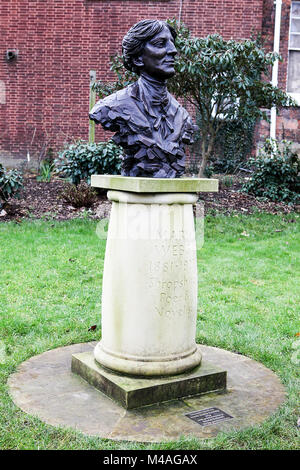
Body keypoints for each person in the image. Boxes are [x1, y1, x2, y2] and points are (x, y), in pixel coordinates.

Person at [89, 19, 197, 178]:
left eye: (172, 43)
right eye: (161, 44)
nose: (173, 50)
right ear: (138, 58)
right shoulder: (112, 107)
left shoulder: (183, 117)